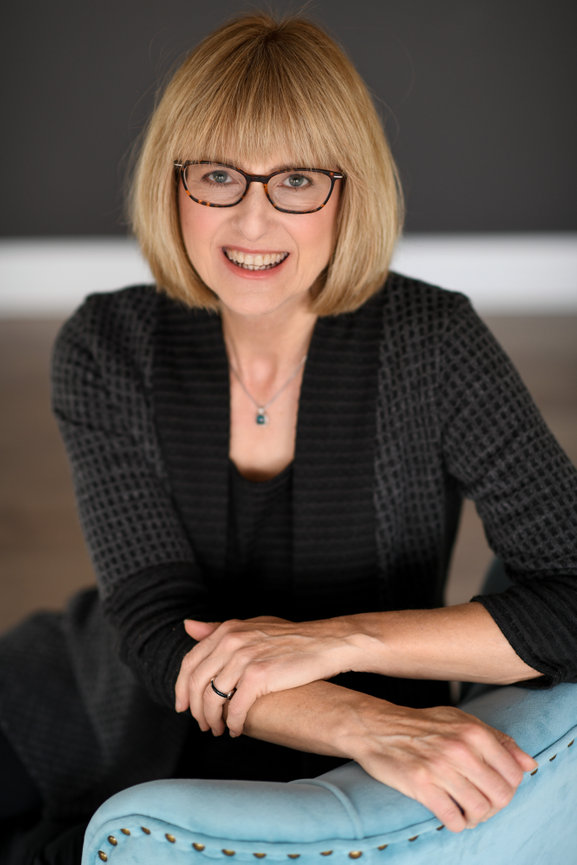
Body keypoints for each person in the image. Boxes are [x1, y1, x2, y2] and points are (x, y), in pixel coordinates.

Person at [1, 11, 576, 862]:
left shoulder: (434, 341)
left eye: (298, 180)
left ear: (350, 189)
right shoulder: (105, 343)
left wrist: (341, 640)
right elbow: (157, 632)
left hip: (329, 770)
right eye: (219, 176)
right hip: (85, 707)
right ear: (174, 184)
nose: (253, 222)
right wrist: (360, 718)